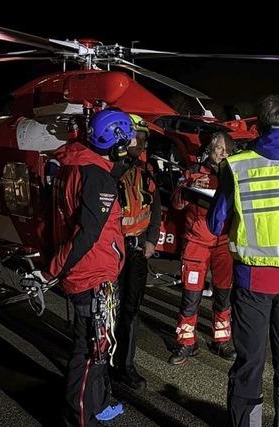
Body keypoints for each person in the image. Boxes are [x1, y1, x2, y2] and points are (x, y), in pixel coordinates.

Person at [207, 94, 279, 426]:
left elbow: (215, 223)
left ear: (257, 125)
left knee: (250, 362)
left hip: (252, 281)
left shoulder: (238, 165)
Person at [24, 109, 136, 426]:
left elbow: (54, 217)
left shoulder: (74, 162)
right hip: (91, 274)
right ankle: (79, 418)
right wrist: (50, 272)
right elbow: (86, 234)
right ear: (116, 144)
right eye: (126, 142)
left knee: (99, 349)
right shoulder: (97, 177)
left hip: (92, 272)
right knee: (88, 352)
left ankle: (98, 405)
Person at [168, 131, 236, 365]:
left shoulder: (235, 173)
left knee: (224, 294)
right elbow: (176, 203)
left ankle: (222, 340)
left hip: (224, 243)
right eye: (219, 148)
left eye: (228, 149)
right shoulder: (192, 172)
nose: (224, 153)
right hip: (196, 244)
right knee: (191, 296)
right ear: (210, 149)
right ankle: (187, 343)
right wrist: (189, 187)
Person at [111, 113, 161, 390]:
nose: (140, 145)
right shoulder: (109, 168)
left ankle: (125, 365)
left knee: (131, 310)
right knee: (106, 309)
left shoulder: (146, 170)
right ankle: (101, 361)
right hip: (111, 251)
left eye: (143, 139)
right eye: (136, 138)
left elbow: (155, 206)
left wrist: (151, 239)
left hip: (138, 250)